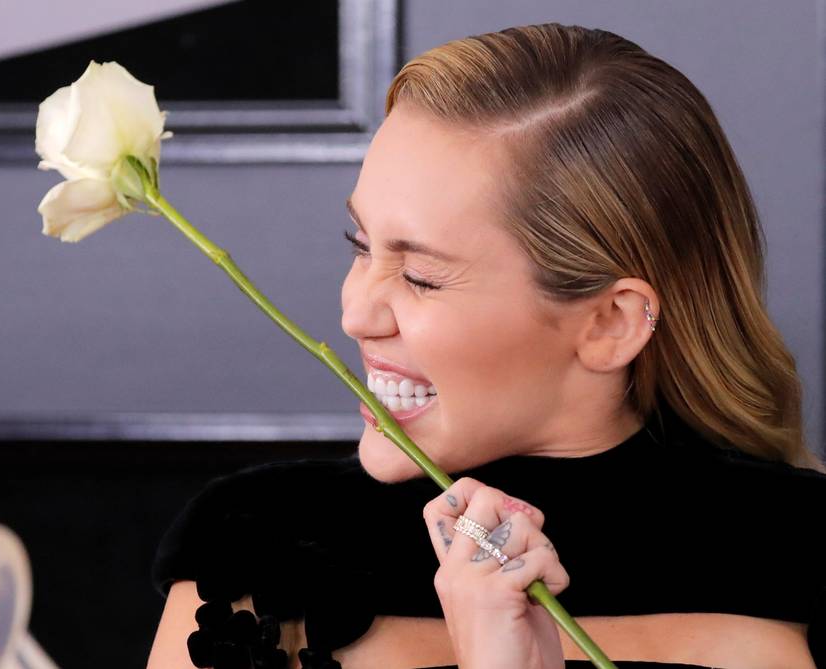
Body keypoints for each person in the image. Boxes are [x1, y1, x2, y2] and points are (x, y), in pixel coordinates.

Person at [145, 22, 826, 669]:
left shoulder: (803, 549)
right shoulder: (253, 539)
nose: (355, 314)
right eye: (360, 245)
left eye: (420, 276)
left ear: (610, 323)